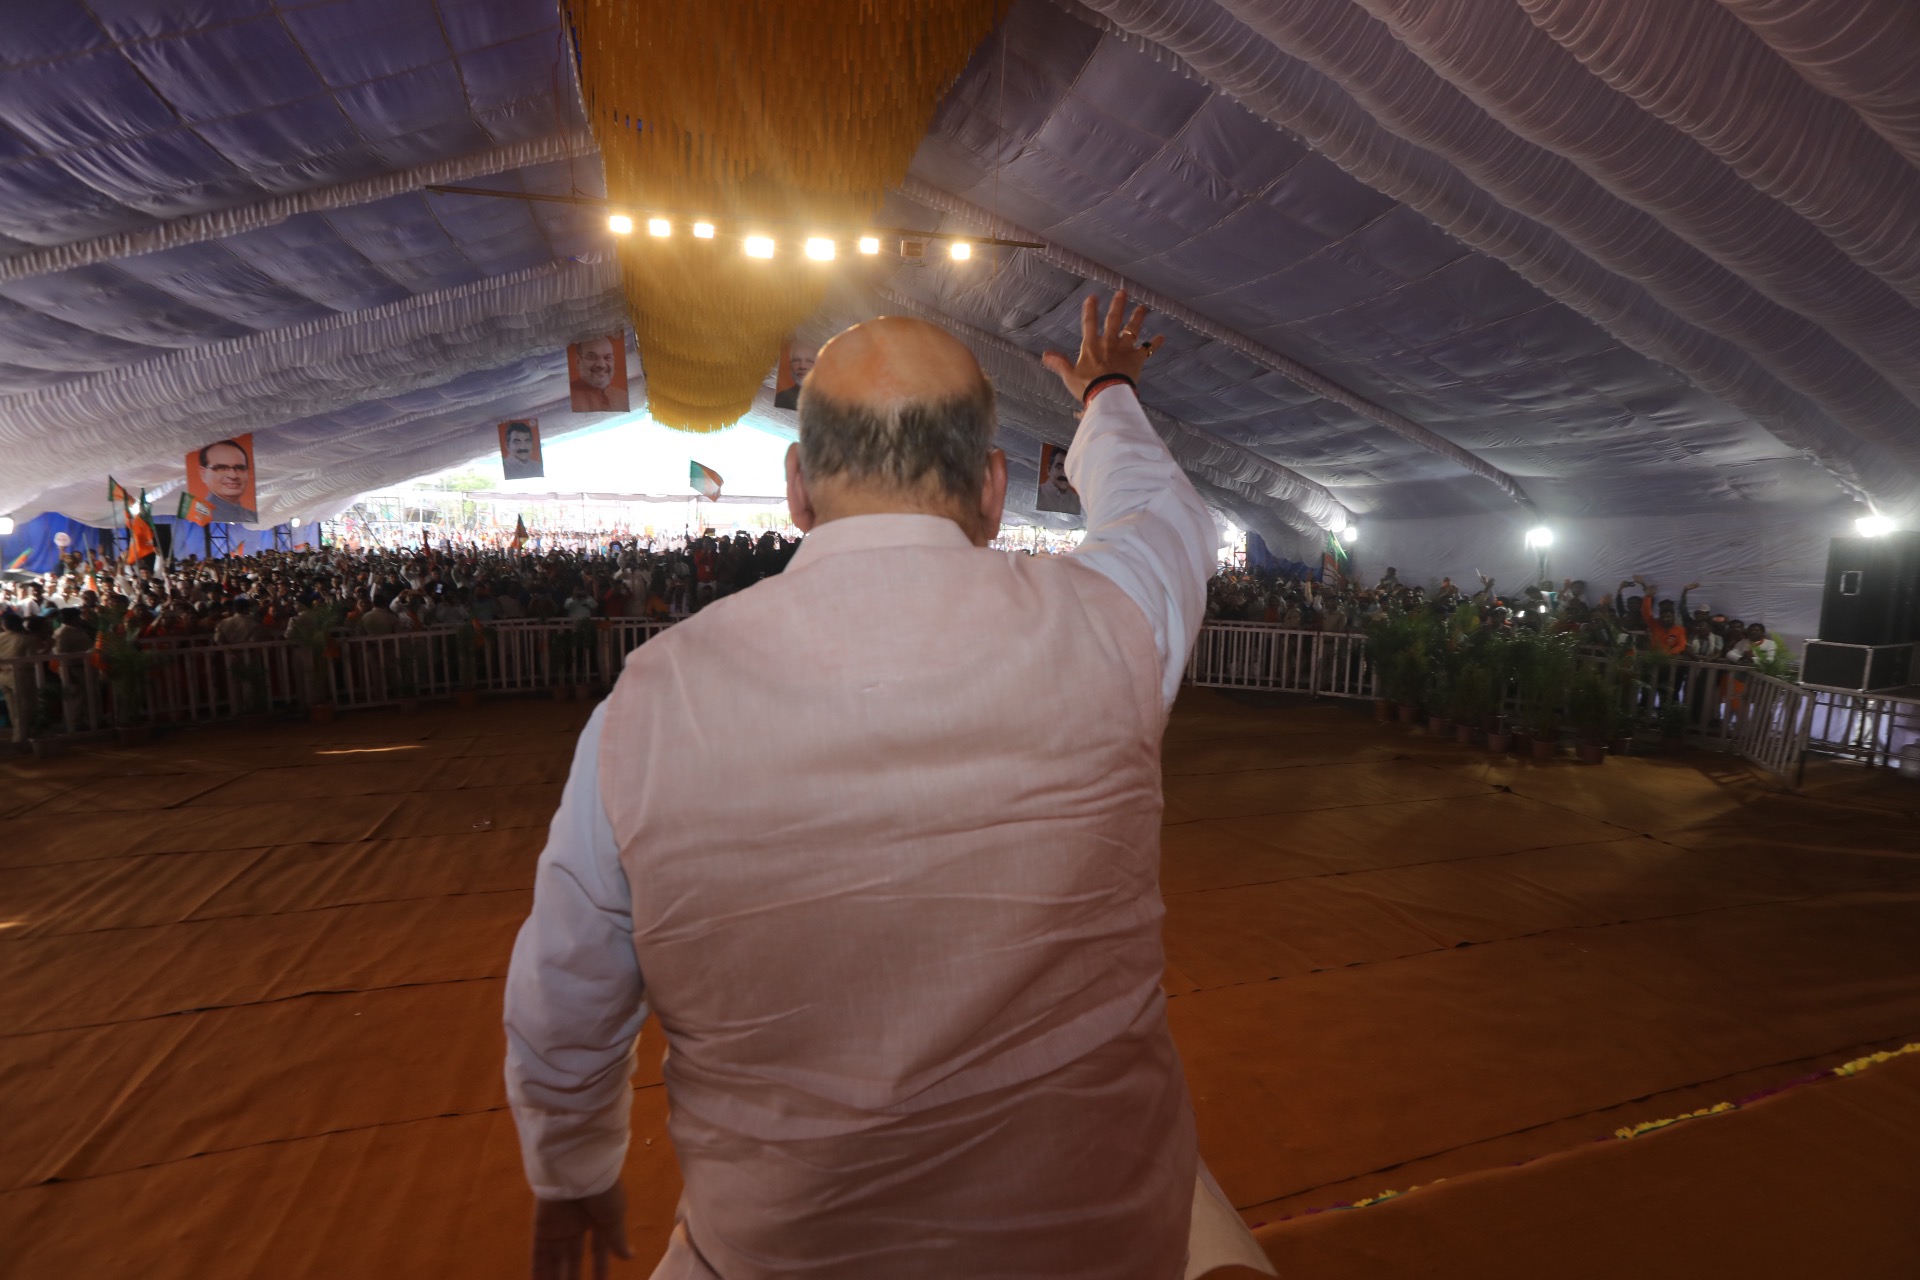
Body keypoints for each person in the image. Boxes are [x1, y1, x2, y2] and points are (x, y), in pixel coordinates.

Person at [503, 293, 1271, 1279]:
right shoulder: (1113, 625)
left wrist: (573, 1171)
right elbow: (1163, 512)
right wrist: (1107, 391)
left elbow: (565, 1000)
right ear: (993, 489)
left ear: (797, 486)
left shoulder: (647, 703)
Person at [196, 439, 257, 523]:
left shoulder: (251, 516)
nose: (233, 475)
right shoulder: (199, 515)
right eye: (222, 468)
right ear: (203, 474)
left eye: (240, 468)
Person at [571, 336, 623, 412]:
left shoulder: (623, 396)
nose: (601, 365)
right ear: (578, 361)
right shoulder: (571, 398)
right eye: (591, 357)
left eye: (607, 357)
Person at [1034, 444, 1082, 515]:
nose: (1065, 474)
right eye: (1059, 467)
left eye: (1070, 469)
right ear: (1049, 470)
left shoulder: (1076, 500)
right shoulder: (1040, 493)